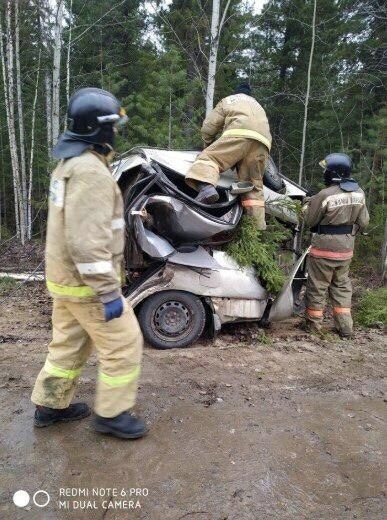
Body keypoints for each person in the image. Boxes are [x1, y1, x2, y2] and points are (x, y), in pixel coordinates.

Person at [31, 87, 147, 439]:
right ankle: (111, 414)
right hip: (87, 285)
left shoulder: (68, 166)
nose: (115, 133)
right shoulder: (92, 174)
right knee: (125, 343)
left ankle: (50, 405)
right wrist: (109, 292)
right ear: (101, 130)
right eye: (113, 127)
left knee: (68, 343)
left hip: (65, 279)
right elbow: (87, 243)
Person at [185, 83, 272, 230]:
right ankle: (256, 228)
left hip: (239, 135)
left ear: (236, 92)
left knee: (208, 159)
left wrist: (208, 145)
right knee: (253, 185)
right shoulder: (258, 105)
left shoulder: (229, 100)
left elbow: (209, 126)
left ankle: (206, 188)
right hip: (263, 144)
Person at [303, 153, 369, 338]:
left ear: (334, 173)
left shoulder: (325, 195)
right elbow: (364, 222)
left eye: (326, 171)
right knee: (341, 287)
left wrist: (308, 202)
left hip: (323, 249)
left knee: (318, 287)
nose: (324, 174)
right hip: (346, 250)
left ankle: (313, 326)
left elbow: (309, 220)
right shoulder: (360, 193)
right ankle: (346, 328)